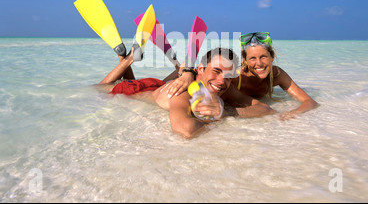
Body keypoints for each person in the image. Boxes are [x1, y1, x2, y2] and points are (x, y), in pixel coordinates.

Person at [98, 47, 275, 139]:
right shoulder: (183, 94)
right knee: (99, 89)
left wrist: (226, 111)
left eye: (229, 75)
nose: (222, 81)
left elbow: (266, 109)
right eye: (216, 71)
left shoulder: (225, 88)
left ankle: (130, 59)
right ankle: (127, 58)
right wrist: (211, 119)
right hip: (134, 90)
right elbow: (185, 131)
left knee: (162, 78)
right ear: (201, 69)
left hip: (161, 84)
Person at [231, 32, 319, 119]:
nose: (259, 63)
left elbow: (310, 102)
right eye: (252, 58)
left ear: (272, 57)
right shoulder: (236, 77)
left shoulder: (276, 74)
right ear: (245, 60)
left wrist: (294, 112)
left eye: (263, 56)